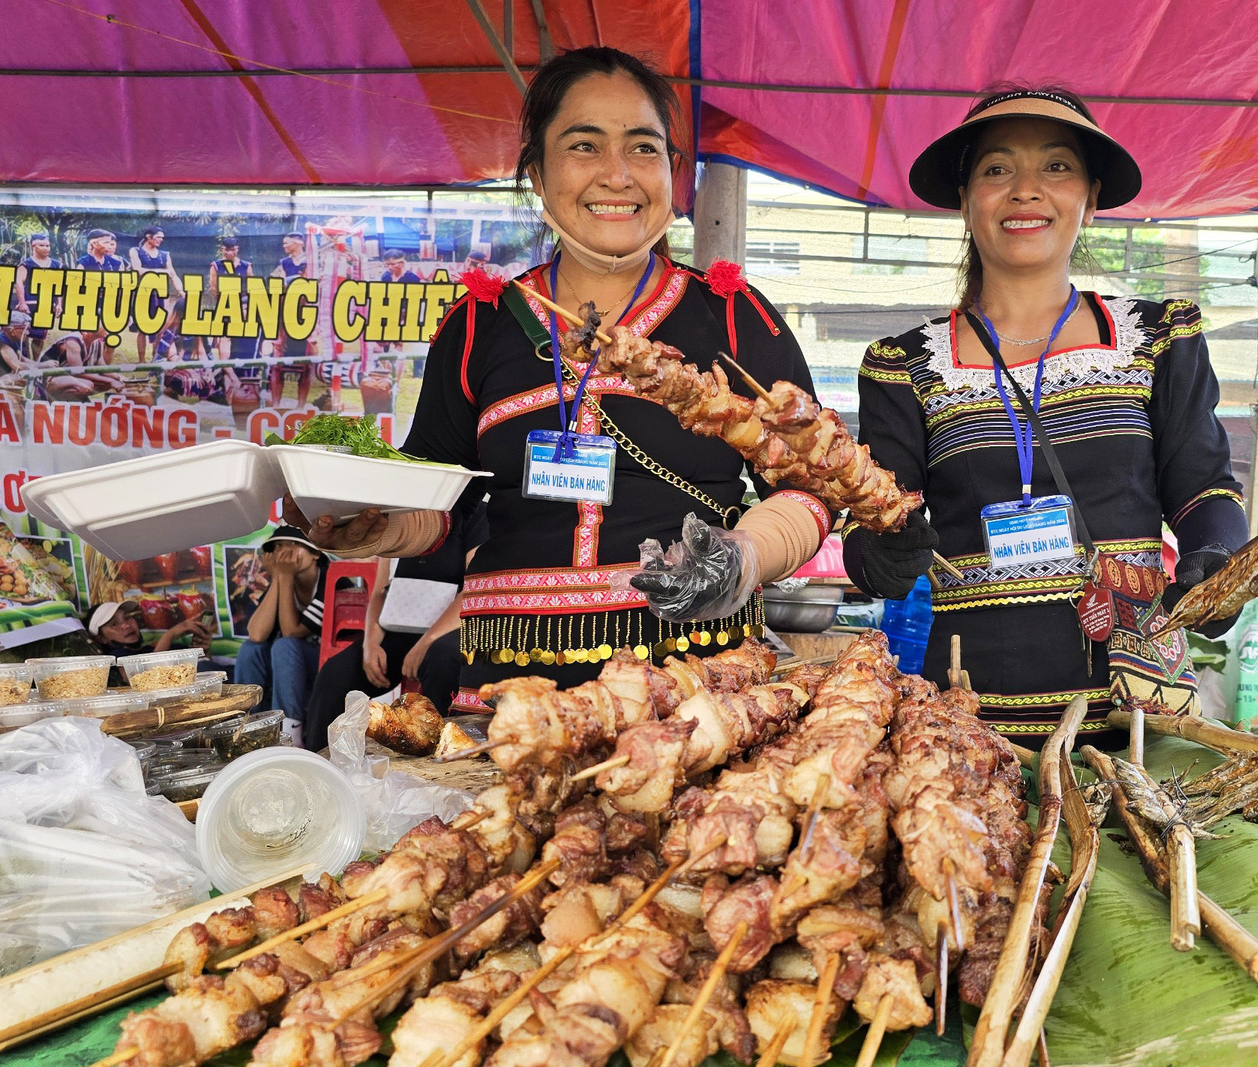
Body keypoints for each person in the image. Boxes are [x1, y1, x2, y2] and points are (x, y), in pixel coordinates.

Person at [294, 46, 829, 712]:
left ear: (674, 173)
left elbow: (811, 487)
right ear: (538, 174)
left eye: (642, 149)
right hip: (504, 695)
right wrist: (368, 525)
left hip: (691, 698)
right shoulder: (476, 327)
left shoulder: (735, 320)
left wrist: (747, 552)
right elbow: (436, 507)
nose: (616, 175)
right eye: (584, 146)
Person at [847, 86, 1248, 742]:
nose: (1026, 189)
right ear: (966, 200)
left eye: (1056, 167)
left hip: (1138, 727)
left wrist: (1218, 557)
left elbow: (1206, 489)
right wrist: (882, 555)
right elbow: (872, 528)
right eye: (997, 169)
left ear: (1089, 196)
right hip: (968, 742)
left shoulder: (1158, 339)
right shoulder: (904, 366)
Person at [299, 502, 486, 749]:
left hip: (448, 631)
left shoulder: (474, 514)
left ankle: (435, 758)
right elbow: (379, 591)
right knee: (336, 672)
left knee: (442, 660)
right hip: (399, 629)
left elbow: (473, 589)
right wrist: (370, 643)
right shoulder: (398, 511)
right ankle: (321, 763)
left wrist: (425, 643)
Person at [237, 527, 326, 719]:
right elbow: (256, 634)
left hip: (322, 664)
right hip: (286, 667)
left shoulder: (332, 581)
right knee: (250, 650)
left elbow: (291, 632)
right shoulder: (283, 580)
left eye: (294, 544)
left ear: (316, 553)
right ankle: (246, 721)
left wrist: (284, 576)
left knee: (285, 645)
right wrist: (278, 578)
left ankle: (290, 726)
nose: (285, 552)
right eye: (278, 547)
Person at [128, 225, 183, 362]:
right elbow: (138, 269)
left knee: (160, 326)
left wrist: (181, 291)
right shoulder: (136, 251)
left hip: (160, 294)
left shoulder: (165, 255)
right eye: (158, 237)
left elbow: (173, 274)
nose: (161, 240)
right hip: (142, 293)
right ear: (148, 236)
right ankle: (141, 360)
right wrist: (162, 272)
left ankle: (155, 358)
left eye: (162, 238)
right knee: (142, 328)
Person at [86, 599, 211, 659]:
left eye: (128, 617)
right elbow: (148, 676)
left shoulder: (148, 649)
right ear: (101, 638)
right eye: (114, 624)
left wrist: (203, 650)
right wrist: (170, 634)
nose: (126, 625)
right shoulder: (116, 659)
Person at [208, 236, 259, 361]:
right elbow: (213, 288)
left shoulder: (246, 266)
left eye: (233, 249)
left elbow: (251, 287)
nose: (230, 253)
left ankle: (244, 363)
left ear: (238, 249)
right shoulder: (216, 266)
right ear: (222, 249)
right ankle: (224, 366)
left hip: (243, 305)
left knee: (243, 333)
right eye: (227, 250)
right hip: (224, 304)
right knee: (225, 335)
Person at [15, 232, 62, 351]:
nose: (46, 248)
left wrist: (59, 304)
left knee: (40, 337)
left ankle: (35, 364)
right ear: (33, 246)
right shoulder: (26, 264)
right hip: (29, 304)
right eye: (42, 245)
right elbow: (19, 283)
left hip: (45, 305)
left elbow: (58, 286)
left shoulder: (56, 265)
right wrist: (22, 302)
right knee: (23, 334)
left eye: (47, 245)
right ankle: (24, 360)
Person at [277, 233, 311, 358]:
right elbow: (281, 282)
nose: (284, 246)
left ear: (298, 243)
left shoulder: (310, 259)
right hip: (289, 303)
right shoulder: (284, 262)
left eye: (287, 243)